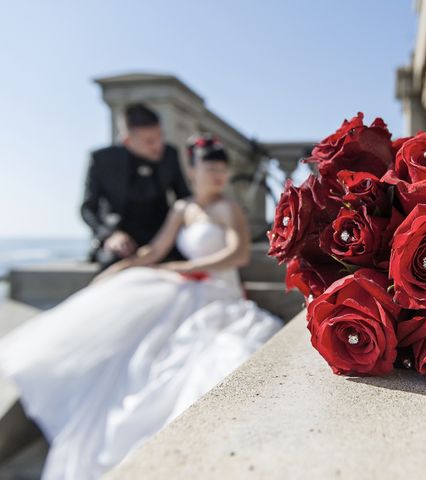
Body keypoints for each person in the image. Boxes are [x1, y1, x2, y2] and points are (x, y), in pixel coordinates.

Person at [0, 135, 283, 479]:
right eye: (211, 167)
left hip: (217, 290)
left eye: (223, 168)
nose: (218, 175)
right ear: (192, 170)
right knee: (132, 303)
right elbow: (155, 250)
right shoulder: (182, 208)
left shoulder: (229, 207)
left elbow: (238, 255)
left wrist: (183, 268)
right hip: (186, 286)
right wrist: (124, 267)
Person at [80, 103, 192, 270]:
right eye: (149, 141)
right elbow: (88, 209)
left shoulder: (170, 154)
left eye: (161, 136)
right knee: (114, 266)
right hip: (121, 237)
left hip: (162, 236)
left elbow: (184, 198)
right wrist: (110, 235)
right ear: (127, 140)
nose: (158, 145)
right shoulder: (101, 159)